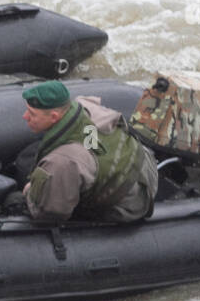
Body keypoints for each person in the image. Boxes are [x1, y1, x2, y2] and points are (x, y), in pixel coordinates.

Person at [16, 80, 159, 222]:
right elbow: (92, 145)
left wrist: (29, 191)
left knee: (16, 197)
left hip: (133, 200)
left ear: (54, 117)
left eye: (32, 114)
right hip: (143, 163)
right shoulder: (84, 105)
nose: (24, 117)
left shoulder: (62, 162)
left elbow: (51, 214)